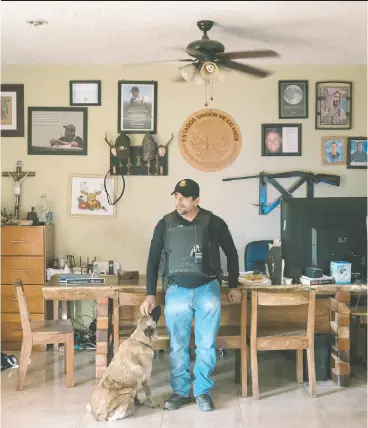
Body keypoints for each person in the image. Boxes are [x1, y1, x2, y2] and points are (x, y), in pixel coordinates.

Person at [140, 179, 241, 412]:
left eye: (184, 197)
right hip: (176, 290)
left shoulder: (214, 222)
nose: (178, 201)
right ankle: (180, 392)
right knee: (178, 346)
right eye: (176, 196)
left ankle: (202, 392)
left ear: (196, 200)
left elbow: (232, 253)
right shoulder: (164, 224)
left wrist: (233, 285)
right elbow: (153, 260)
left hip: (208, 289)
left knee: (206, 345)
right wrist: (149, 294)